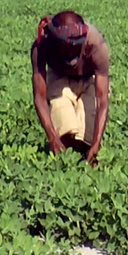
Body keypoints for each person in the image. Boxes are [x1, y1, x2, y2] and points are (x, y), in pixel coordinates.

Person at [30, 10, 110, 165]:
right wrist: (52, 137)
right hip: (59, 78)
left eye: (75, 47)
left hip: (89, 80)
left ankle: (86, 168)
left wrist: (96, 143)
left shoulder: (96, 44)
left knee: (86, 143)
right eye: (65, 47)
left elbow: (102, 100)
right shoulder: (42, 45)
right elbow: (39, 97)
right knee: (66, 137)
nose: (70, 51)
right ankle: (66, 168)